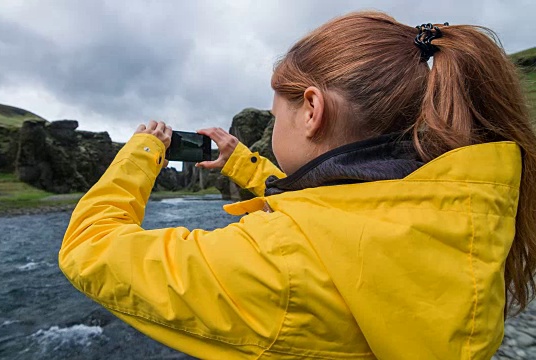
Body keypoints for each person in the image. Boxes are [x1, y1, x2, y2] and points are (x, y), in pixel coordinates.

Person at [59, 11, 536, 359]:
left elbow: (88, 248)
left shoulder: (277, 264)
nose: (274, 125)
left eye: (276, 114)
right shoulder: (459, 214)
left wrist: (142, 152)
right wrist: (241, 163)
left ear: (311, 110)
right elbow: (338, 208)